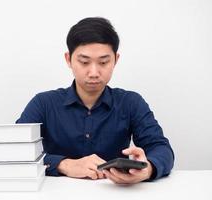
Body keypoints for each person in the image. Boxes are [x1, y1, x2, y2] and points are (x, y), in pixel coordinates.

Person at [16, 17, 174, 184]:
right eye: (84, 62)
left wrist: (147, 168)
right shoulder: (44, 103)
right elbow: (16, 151)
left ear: (116, 60)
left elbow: (161, 149)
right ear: (68, 59)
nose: (93, 72)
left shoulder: (130, 102)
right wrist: (64, 164)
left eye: (103, 62)